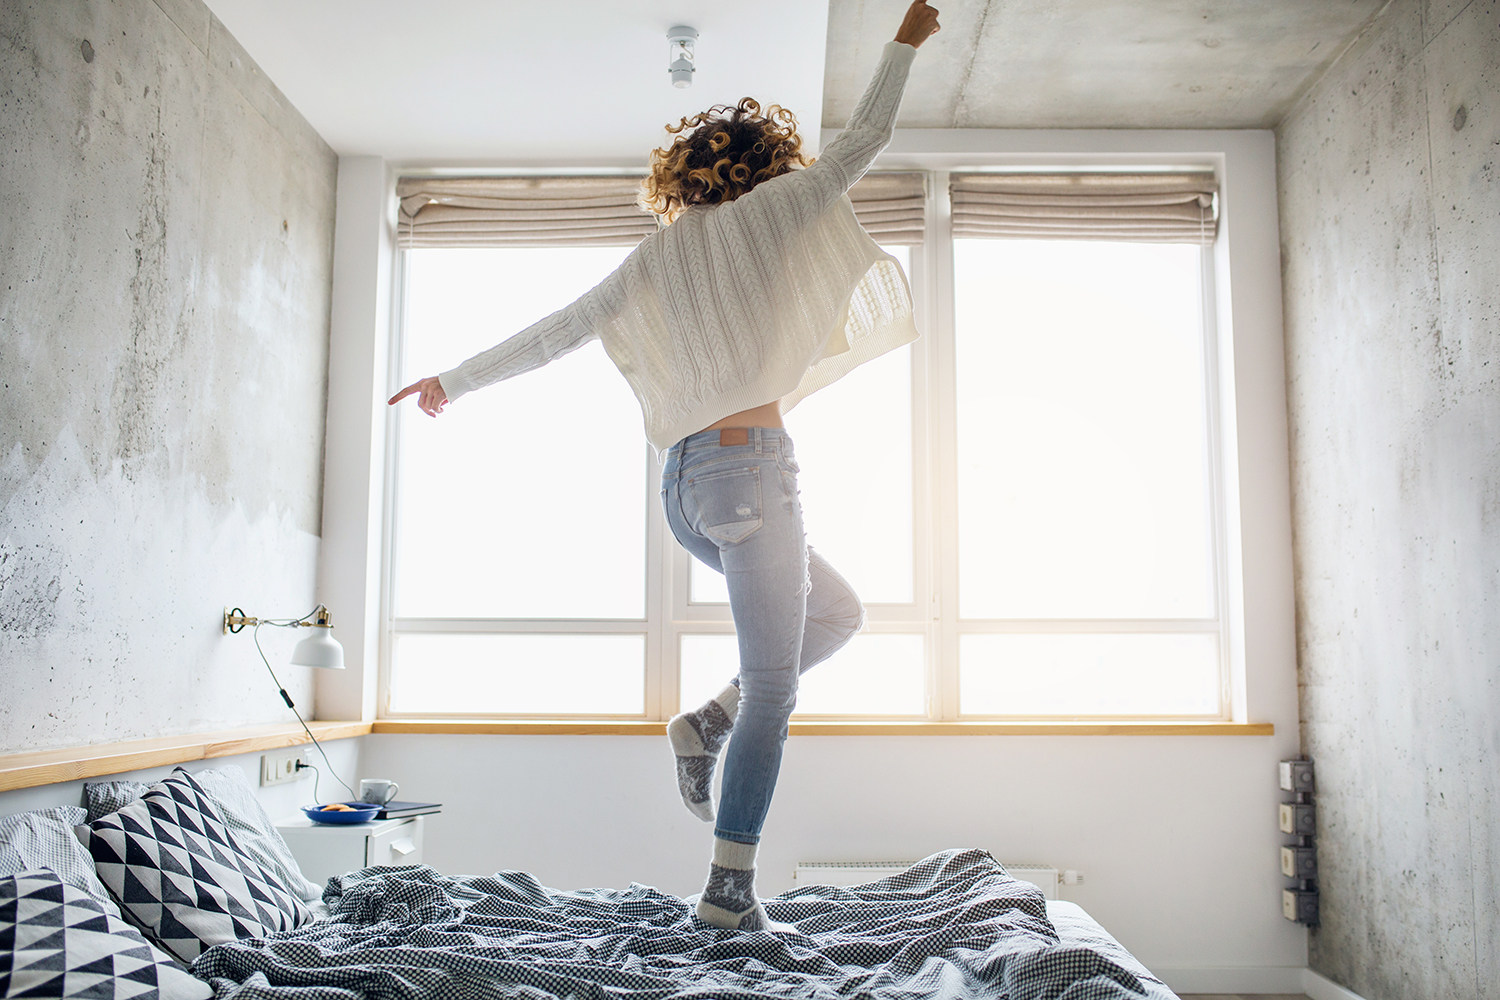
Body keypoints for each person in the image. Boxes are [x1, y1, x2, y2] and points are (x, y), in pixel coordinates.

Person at [390, 0, 941, 932]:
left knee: (838, 611)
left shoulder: (654, 258)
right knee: (780, 684)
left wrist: (453, 380)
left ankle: (710, 721)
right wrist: (904, 41)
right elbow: (868, 138)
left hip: (685, 492)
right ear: (767, 166)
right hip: (752, 471)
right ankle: (728, 896)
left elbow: (556, 332)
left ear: (683, 176)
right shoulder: (781, 211)